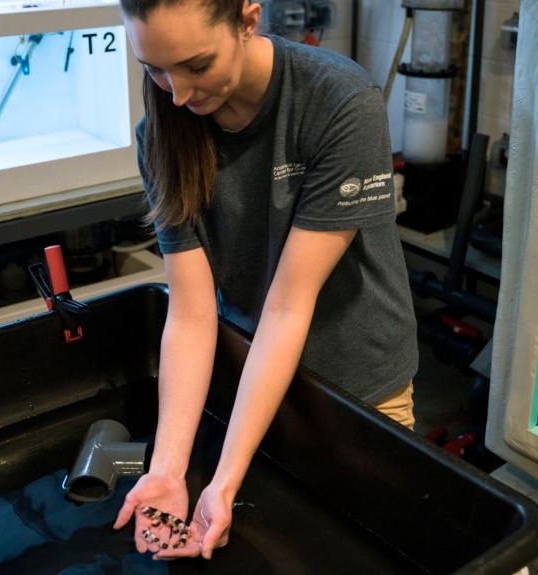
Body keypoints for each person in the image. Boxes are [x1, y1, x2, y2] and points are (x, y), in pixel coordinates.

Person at [112, 0, 419, 561]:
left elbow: (287, 304)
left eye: (196, 66)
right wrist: (168, 470)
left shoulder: (338, 101)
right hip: (257, 392)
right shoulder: (163, 129)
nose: (177, 94)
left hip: (360, 392)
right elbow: (191, 313)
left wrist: (223, 483)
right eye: (154, 68)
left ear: (248, 18)